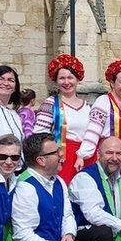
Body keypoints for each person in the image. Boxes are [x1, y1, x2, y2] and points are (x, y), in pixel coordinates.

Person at [10, 133, 77, 241]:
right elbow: (23, 235)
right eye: (55, 152)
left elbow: (67, 215)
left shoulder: (58, 181)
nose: (61, 154)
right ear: (41, 160)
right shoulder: (26, 187)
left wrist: (69, 234)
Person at [35, 54, 92, 184]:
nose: (66, 82)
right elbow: (39, 135)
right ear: (56, 81)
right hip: (61, 158)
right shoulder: (50, 104)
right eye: (62, 78)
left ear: (78, 79)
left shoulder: (87, 106)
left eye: (70, 78)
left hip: (84, 158)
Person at [77, 59, 121, 171]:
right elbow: (93, 130)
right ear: (112, 83)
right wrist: (82, 155)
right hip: (106, 157)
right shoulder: (103, 102)